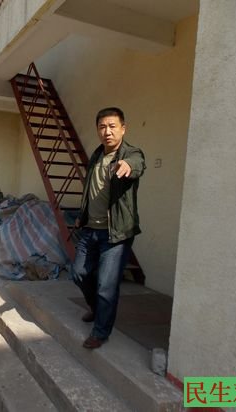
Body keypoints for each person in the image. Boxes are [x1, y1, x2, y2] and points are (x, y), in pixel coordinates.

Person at [72, 107, 146, 349]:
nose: (107, 131)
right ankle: (96, 308)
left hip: (116, 234)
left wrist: (128, 166)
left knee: (106, 285)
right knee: (79, 273)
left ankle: (101, 332)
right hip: (90, 229)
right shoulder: (96, 156)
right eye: (102, 127)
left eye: (113, 126)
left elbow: (138, 163)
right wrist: (82, 216)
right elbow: (90, 191)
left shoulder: (130, 154)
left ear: (123, 129)